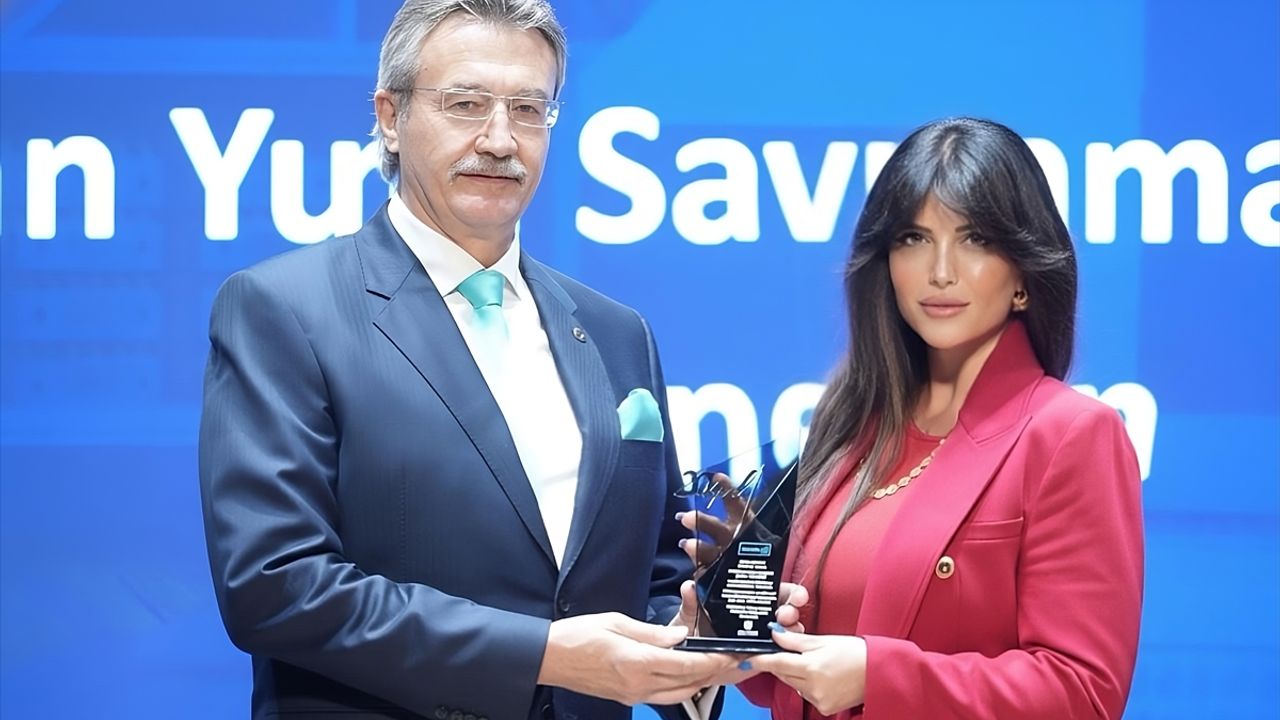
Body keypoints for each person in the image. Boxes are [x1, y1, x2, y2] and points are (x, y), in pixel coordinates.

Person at [197, 1, 734, 718]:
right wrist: (545, 654)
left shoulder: (616, 332)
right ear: (390, 116)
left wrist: (698, 638)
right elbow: (275, 587)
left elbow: (656, 577)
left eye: (529, 109)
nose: (501, 139)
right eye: (466, 104)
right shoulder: (284, 308)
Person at [737, 117, 1144, 718]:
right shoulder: (850, 422)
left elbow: (1083, 693)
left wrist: (880, 677)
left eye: (975, 238)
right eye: (914, 238)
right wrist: (738, 618)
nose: (941, 271)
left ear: (1024, 274)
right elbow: (795, 684)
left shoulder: (1072, 434)